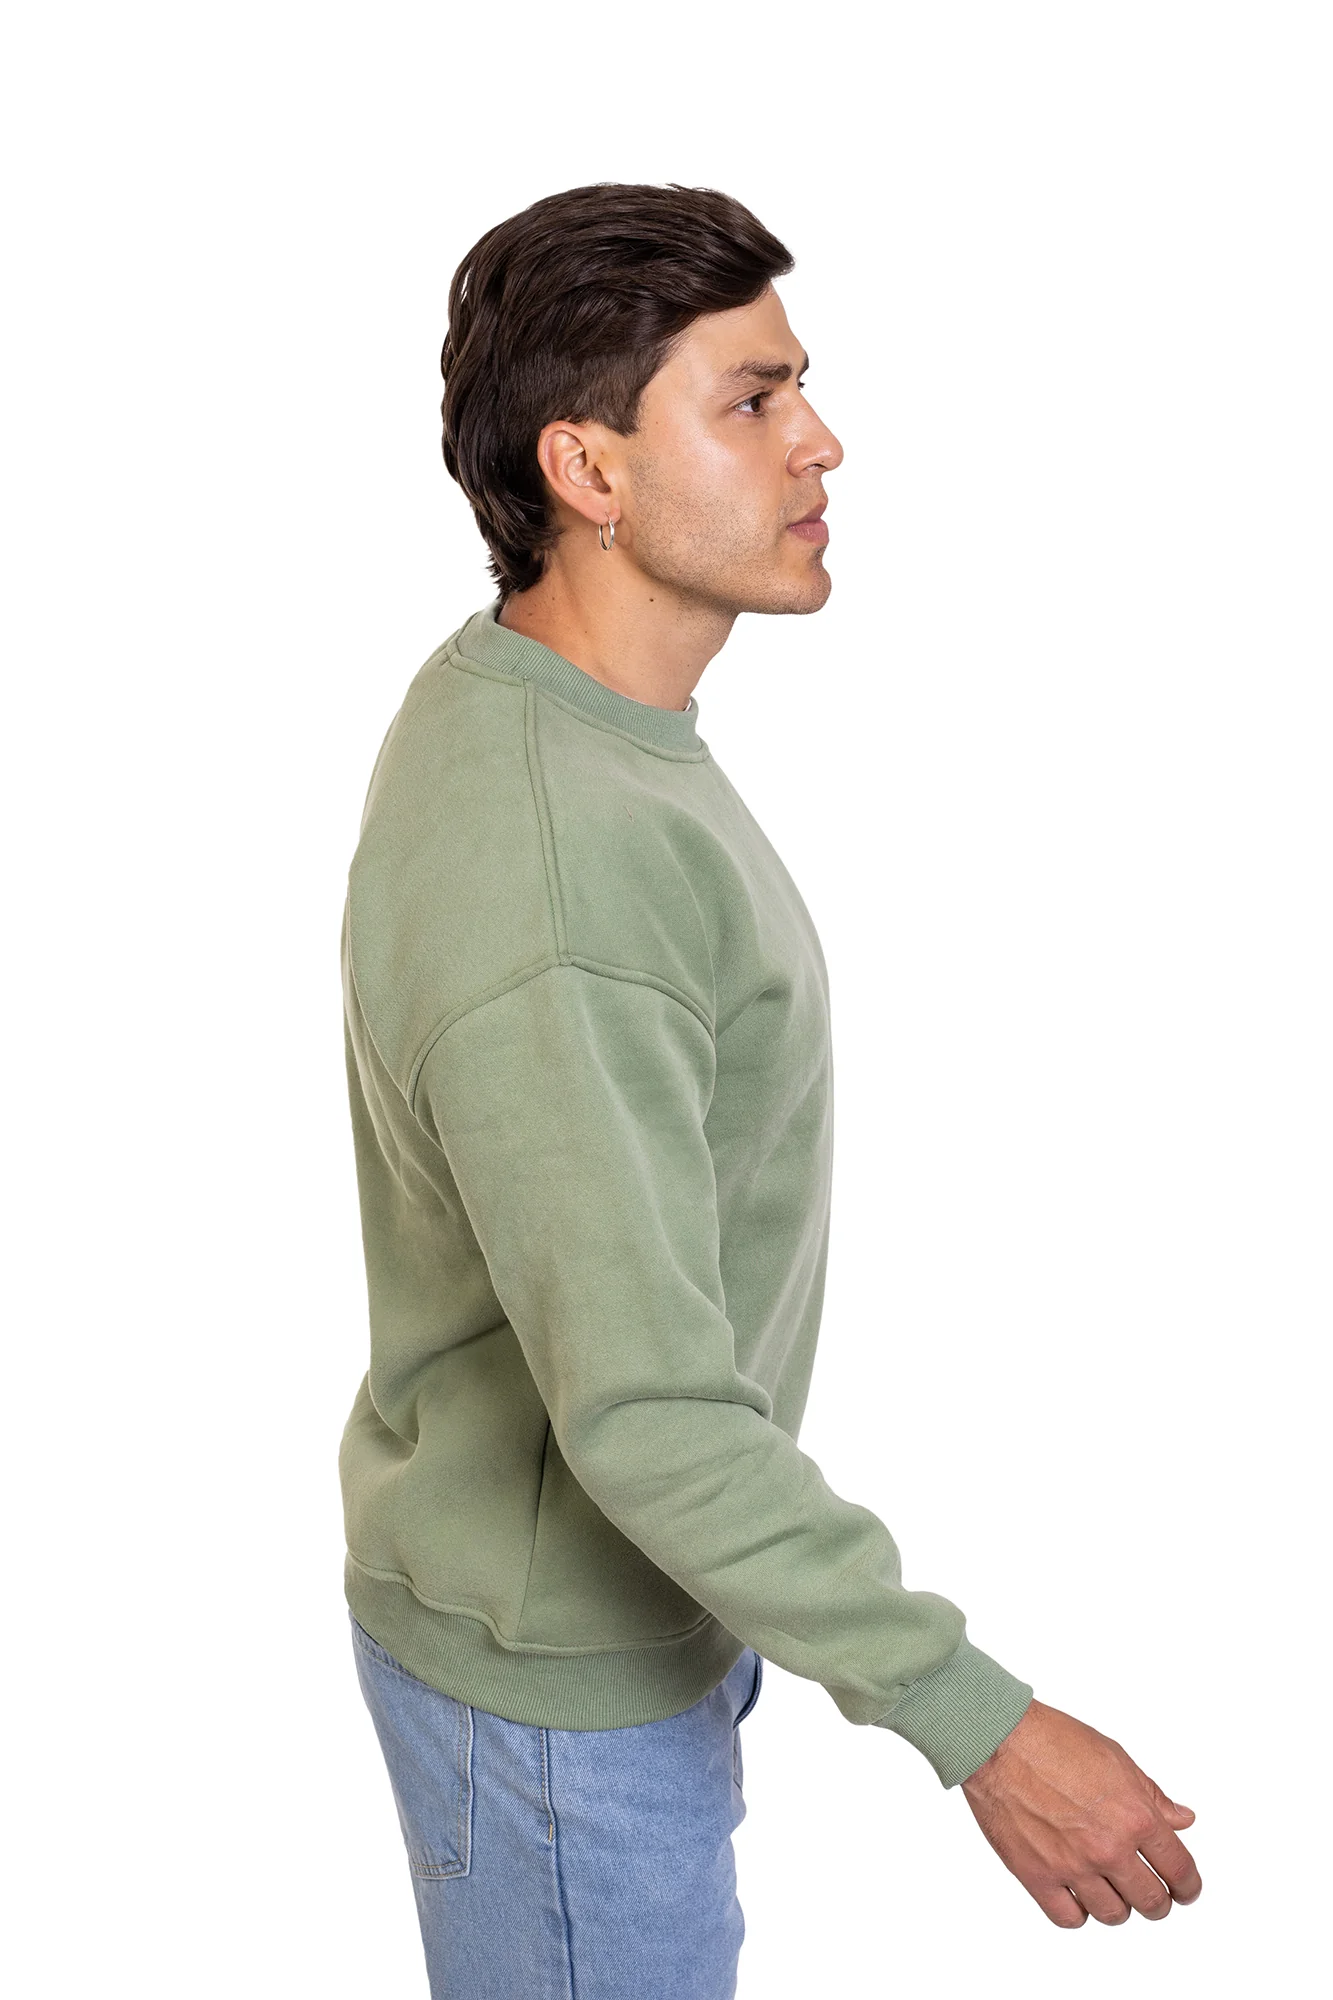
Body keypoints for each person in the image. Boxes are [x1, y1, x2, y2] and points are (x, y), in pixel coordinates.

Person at [338, 182, 1202, 1998]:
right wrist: (980, 1721)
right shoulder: (557, 864)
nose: (821, 440)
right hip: (563, 1711)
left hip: (607, 1631)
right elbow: (648, 1419)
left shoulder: (558, 718)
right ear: (587, 469)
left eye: (798, 383)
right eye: (751, 399)